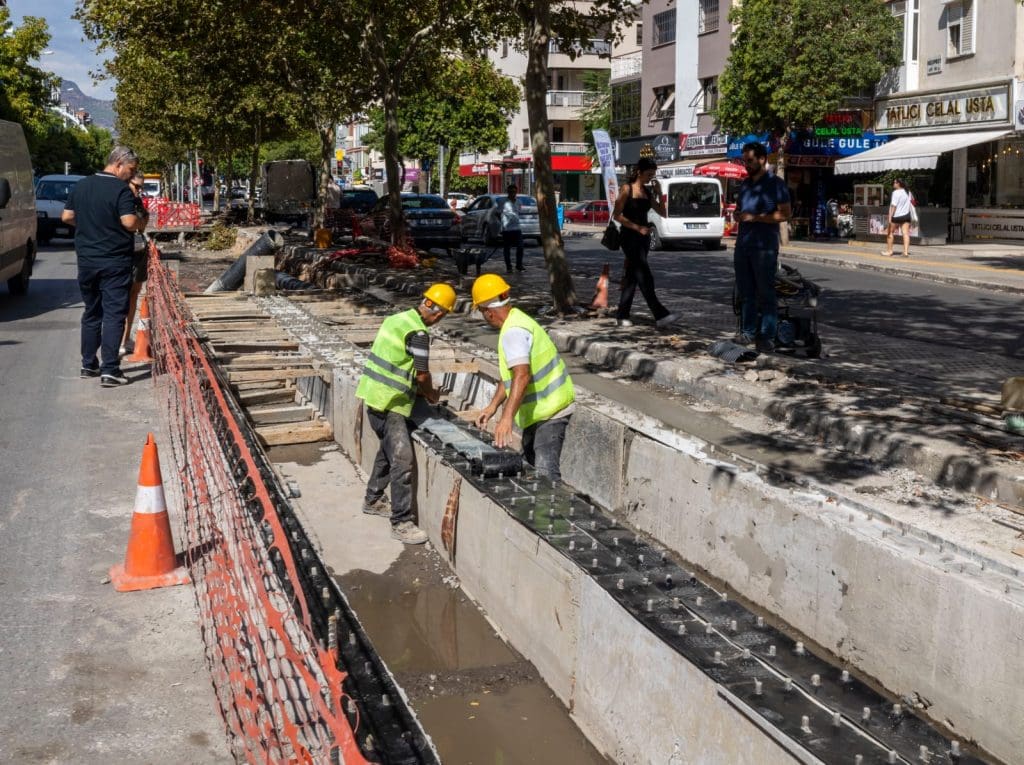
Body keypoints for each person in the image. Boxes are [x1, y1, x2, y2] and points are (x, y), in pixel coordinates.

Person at [355, 283, 457, 545]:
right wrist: (431, 394)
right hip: (392, 403)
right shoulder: (419, 333)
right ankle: (401, 521)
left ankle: (373, 499)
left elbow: (397, 361)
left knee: (387, 450)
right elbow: (422, 374)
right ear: (439, 313)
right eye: (442, 314)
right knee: (402, 459)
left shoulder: (396, 319)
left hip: (373, 396)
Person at [471, 274, 575, 482]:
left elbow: (522, 375)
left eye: (481, 311)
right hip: (540, 411)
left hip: (550, 411)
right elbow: (510, 376)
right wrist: (492, 407)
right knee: (528, 463)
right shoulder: (517, 319)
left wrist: (506, 418)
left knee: (546, 472)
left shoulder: (513, 332)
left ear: (489, 312)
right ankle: (538, 508)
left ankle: (549, 512)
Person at [62, 146, 146, 387]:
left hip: (87, 260)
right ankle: (110, 369)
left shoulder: (82, 185)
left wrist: (89, 225)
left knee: (91, 311)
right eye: (130, 170)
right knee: (113, 314)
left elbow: (67, 217)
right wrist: (141, 222)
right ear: (118, 163)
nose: (131, 175)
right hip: (114, 261)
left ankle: (88, 364)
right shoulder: (120, 189)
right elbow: (129, 222)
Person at [733, 142, 792, 353]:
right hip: (743, 244)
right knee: (746, 292)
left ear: (762, 159)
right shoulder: (745, 184)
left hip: (764, 247)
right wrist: (738, 215)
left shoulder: (776, 184)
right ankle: (747, 332)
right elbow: (741, 209)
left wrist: (756, 217)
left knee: (766, 293)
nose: (746, 165)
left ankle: (767, 336)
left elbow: (785, 213)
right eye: (744, 161)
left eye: (749, 160)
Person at [610, 157, 678, 329]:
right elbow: (616, 215)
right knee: (644, 274)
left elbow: (662, 212)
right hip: (629, 236)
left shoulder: (647, 192)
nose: (650, 178)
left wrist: (659, 192)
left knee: (632, 277)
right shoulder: (626, 189)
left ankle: (622, 314)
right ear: (639, 172)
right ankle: (660, 314)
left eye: (653, 175)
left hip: (643, 238)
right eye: (649, 174)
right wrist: (636, 227)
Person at [121, 171, 151, 355]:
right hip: (120, 254)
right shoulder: (119, 199)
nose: (139, 191)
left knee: (133, 294)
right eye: (136, 186)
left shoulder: (137, 202)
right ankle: (118, 339)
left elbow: (143, 223)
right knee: (120, 297)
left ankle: (124, 338)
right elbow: (135, 224)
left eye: (141, 187)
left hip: (137, 253)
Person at [492, 183, 525, 273]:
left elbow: (518, 213)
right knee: (507, 248)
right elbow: (496, 213)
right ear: (508, 192)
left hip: (517, 228)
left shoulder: (519, 202)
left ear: (516, 192)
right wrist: (502, 221)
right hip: (507, 229)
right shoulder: (503, 202)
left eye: (514, 192)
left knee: (520, 247)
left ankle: (519, 265)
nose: (512, 193)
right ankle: (509, 267)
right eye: (510, 192)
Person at [882, 178, 912, 258]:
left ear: (899, 184)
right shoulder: (908, 192)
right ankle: (905, 252)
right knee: (905, 233)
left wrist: (890, 217)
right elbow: (911, 203)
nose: (893, 184)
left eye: (894, 182)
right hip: (906, 215)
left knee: (890, 233)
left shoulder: (895, 193)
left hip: (896, 216)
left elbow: (893, 206)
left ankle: (889, 251)